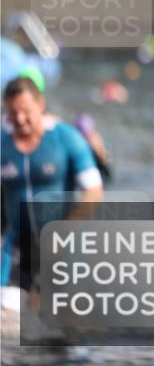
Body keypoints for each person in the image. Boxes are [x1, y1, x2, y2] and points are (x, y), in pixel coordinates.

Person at [1, 78, 104, 294]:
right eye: (13, 113)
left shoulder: (66, 138)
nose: (19, 119)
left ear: (40, 104)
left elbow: (94, 191)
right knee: (8, 311)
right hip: (17, 245)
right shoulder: (3, 141)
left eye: (25, 111)